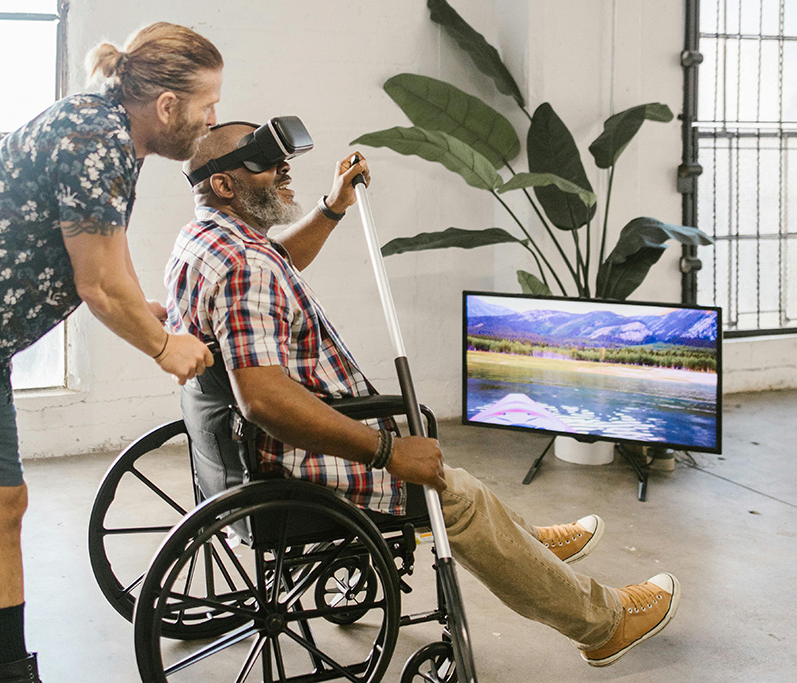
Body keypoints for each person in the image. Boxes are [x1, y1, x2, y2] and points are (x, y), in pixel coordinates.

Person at [163, 122, 681, 669]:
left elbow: (279, 262)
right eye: (268, 162)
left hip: (243, 456)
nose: (286, 169)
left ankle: (528, 544)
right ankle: (602, 624)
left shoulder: (209, 241)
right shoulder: (245, 267)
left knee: (457, 483)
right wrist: (386, 451)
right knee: (456, 498)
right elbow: (265, 401)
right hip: (300, 460)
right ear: (225, 185)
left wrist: (333, 207)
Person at [0, 22, 221, 683]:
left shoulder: (112, 130)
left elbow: (107, 255)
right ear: (167, 108)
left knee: (2, 506)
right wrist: (164, 344)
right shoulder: (96, 139)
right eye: (207, 106)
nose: (211, 119)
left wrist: (147, 312)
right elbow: (98, 285)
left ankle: (12, 674)